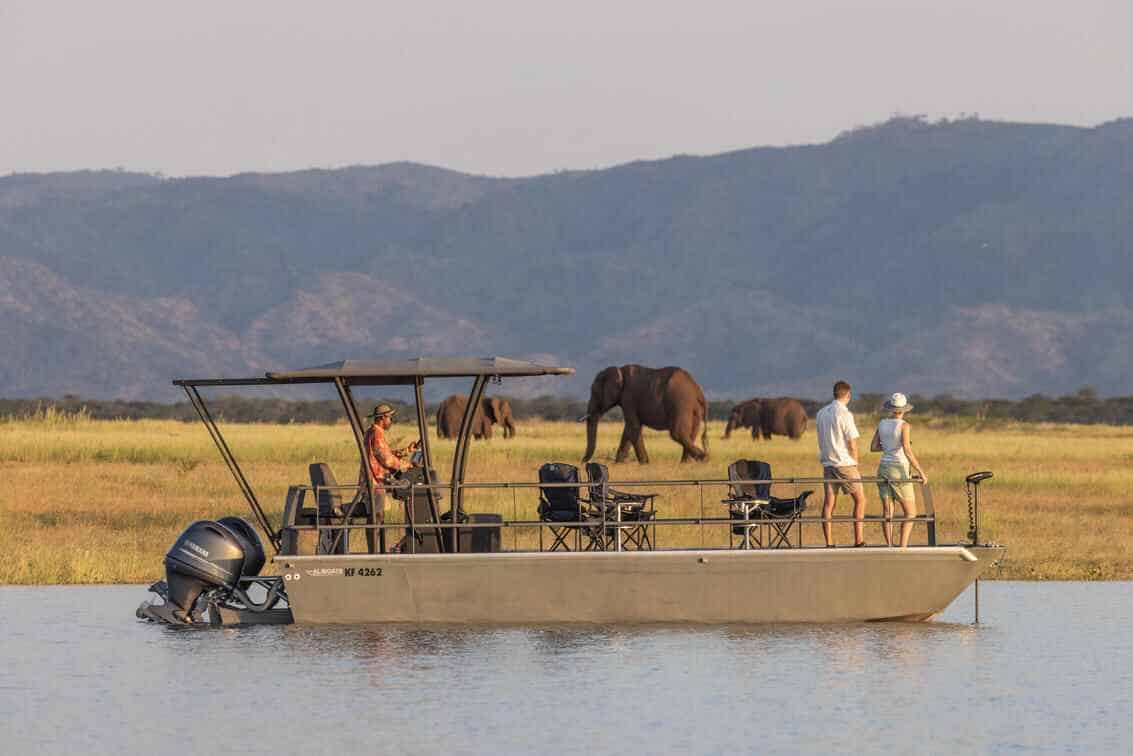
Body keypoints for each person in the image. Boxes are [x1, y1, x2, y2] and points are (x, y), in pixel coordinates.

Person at [869, 392, 927, 548]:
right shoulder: (904, 425)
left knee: (888, 512)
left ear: (891, 408)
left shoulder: (882, 423)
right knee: (911, 513)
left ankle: (890, 546)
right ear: (904, 409)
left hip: (883, 468)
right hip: (899, 468)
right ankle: (902, 547)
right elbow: (907, 450)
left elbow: (873, 447)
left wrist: (888, 447)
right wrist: (921, 472)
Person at [816, 380, 867, 547]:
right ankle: (858, 540)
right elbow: (852, 442)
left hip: (827, 463)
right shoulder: (845, 414)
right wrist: (855, 462)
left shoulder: (821, 413)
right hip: (844, 463)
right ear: (848, 395)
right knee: (860, 500)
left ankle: (829, 542)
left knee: (829, 503)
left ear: (834, 393)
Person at [358, 403, 421, 518]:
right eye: (390, 418)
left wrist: (407, 450)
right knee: (377, 517)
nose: (391, 421)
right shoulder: (377, 434)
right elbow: (387, 460)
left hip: (372, 481)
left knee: (375, 516)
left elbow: (383, 454)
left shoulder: (371, 431)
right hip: (375, 482)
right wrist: (408, 465)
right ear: (383, 417)